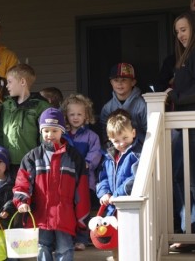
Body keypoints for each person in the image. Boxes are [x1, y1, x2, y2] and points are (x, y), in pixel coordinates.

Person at [12, 107, 90, 261]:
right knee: (42, 247)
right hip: (40, 214)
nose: (50, 135)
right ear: (41, 131)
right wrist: (22, 201)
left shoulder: (74, 157)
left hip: (65, 214)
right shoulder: (32, 157)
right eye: (46, 130)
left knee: (65, 248)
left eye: (55, 131)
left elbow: (81, 190)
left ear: (62, 131)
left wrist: (81, 218)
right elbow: (22, 182)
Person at [166, 11, 195, 252]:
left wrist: (173, 95)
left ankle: (190, 233)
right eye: (177, 31)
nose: (180, 35)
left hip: (192, 124)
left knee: (190, 179)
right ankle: (188, 231)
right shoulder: (184, 56)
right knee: (181, 178)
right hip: (185, 126)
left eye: (183, 29)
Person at [96, 109, 142, 261]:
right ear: (110, 139)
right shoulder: (109, 156)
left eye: (125, 138)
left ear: (133, 133)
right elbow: (102, 176)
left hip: (128, 206)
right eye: (116, 140)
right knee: (115, 238)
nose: (121, 143)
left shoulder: (136, 154)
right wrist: (104, 192)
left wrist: (117, 195)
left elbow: (134, 178)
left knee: (130, 237)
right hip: (112, 208)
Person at [61, 94, 102, 251]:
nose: (75, 117)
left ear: (86, 115)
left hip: (85, 179)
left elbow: (96, 153)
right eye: (72, 114)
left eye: (79, 114)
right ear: (66, 115)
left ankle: (82, 239)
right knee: (68, 210)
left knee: (83, 209)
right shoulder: (62, 135)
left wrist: (87, 163)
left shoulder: (91, 136)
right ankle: (68, 238)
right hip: (66, 180)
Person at [0, 63, 50, 178]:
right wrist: (0, 157)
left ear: (22, 82)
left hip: (32, 163)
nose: (7, 86)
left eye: (10, 82)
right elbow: (1, 134)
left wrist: (41, 160)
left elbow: (45, 137)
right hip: (8, 164)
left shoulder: (41, 107)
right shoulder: (6, 106)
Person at [100, 62, 147, 145]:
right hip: (116, 148)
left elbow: (148, 131)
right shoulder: (107, 108)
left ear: (133, 82)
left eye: (124, 80)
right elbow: (105, 133)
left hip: (140, 148)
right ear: (111, 82)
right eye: (116, 80)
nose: (119, 83)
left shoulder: (142, 105)